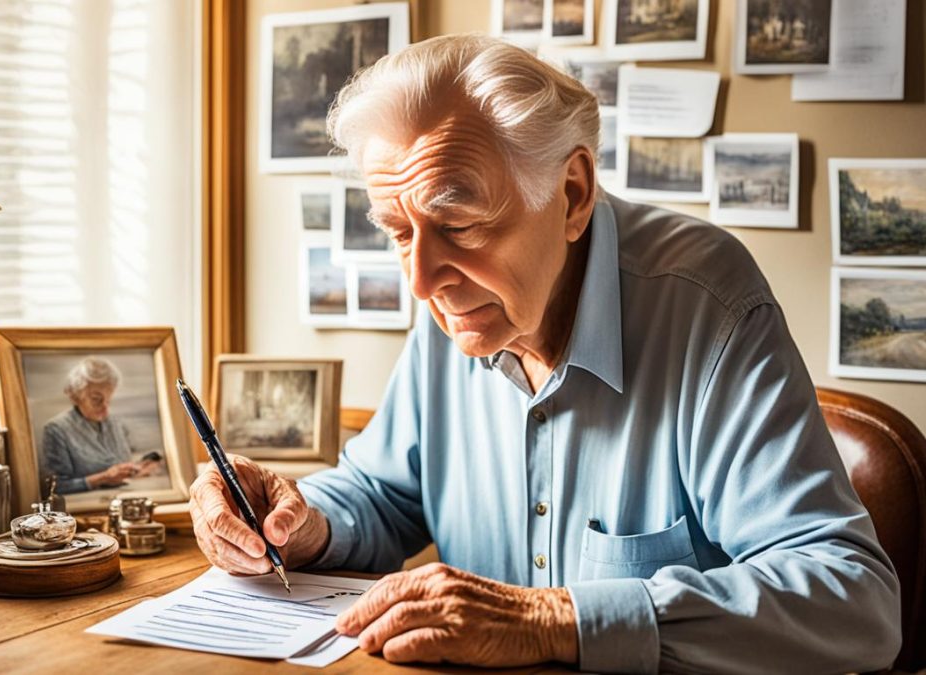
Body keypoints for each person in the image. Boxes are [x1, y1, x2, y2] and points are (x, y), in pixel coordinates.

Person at [190, 35, 901, 672]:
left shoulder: (708, 305)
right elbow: (382, 493)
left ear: (572, 194)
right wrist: (300, 520)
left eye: (458, 224)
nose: (420, 281)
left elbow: (854, 600)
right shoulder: (456, 302)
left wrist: (550, 619)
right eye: (399, 231)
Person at [42, 356, 159, 494]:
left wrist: (139, 468)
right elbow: (54, 488)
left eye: (109, 400)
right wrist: (102, 478)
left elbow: (124, 460)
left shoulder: (117, 425)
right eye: (96, 400)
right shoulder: (56, 430)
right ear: (74, 397)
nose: (105, 408)